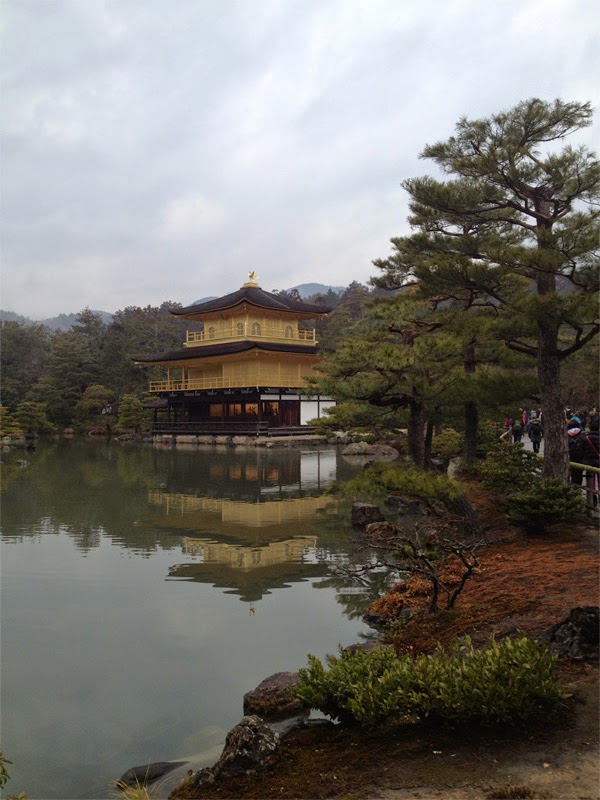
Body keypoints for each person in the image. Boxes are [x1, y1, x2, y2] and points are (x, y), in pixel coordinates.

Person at [567, 420, 600, 486]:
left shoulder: (584, 438)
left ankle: (582, 489)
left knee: (579, 477)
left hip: (581, 460)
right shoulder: (581, 435)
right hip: (596, 460)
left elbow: (582, 449)